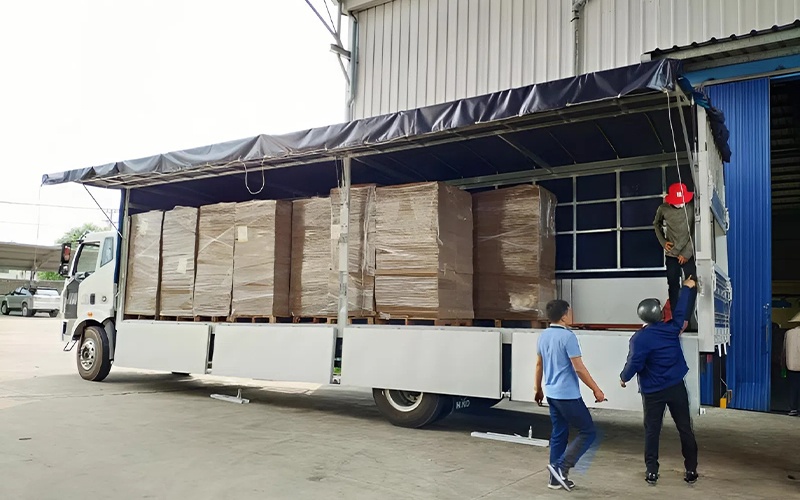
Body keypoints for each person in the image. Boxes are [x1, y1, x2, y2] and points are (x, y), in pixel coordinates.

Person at [619, 276, 699, 486]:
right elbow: (681, 311)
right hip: (676, 387)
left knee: (652, 431)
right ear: (660, 315)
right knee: (684, 427)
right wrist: (687, 288)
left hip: (653, 392)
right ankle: (691, 469)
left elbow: (635, 363)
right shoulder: (671, 329)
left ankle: (652, 471)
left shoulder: (639, 338)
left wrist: (624, 377)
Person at [535, 299, 606, 492]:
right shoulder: (568, 337)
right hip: (567, 395)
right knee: (588, 431)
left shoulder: (543, 336)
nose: (572, 315)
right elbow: (579, 368)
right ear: (564, 316)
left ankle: (555, 479)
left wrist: (538, 389)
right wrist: (596, 389)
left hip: (551, 393)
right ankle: (561, 467)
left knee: (559, 433)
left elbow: (539, 365)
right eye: (570, 312)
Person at [654, 183, 696, 321]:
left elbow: (696, 231)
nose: (680, 204)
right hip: (672, 254)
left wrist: (687, 253)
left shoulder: (692, 207)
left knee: (692, 283)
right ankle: (675, 318)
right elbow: (656, 224)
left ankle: (687, 318)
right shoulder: (663, 209)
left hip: (688, 253)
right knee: (673, 285)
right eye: (677, 202)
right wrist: (663, 242)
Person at [782, 312, 800, 417]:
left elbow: (784, 349)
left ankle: (793, 408)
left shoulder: (788, 333)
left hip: (791, 365)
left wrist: (783, 364)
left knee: (793, 388)